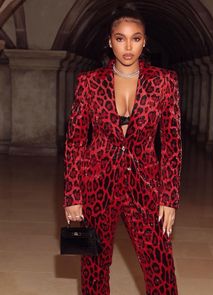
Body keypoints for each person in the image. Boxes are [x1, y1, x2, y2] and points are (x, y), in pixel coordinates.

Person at [63, 5, 182, 295]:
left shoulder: (164, 82)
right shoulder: (89, 83)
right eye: (120, 38)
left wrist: (169, 196)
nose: (128, 46)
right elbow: (76, 141)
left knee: (159, 264)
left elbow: (172, 142)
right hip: (97, 183)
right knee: (94, 267)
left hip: (146, 186)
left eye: (136, 38)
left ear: (145, 41)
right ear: (109, 40)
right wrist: (72, 196)